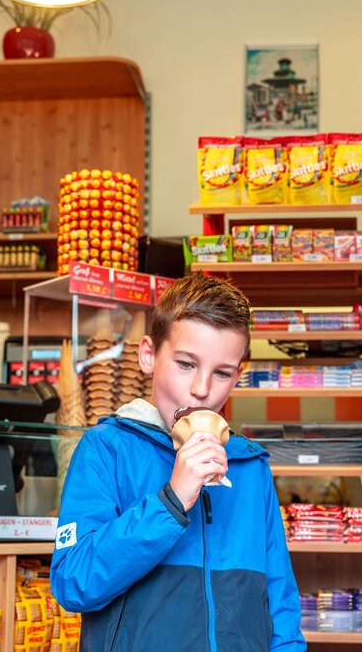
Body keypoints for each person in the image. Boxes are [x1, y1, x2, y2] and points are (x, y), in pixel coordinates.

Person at [50, 272, 305, 652]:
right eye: (186, 364)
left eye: (221, 373)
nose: (202, 389)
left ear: (238, 376)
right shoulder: (106, 449)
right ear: (149, 355)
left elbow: (280, 599)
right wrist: (171, 501)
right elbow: (73, 583)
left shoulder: (250, 466)